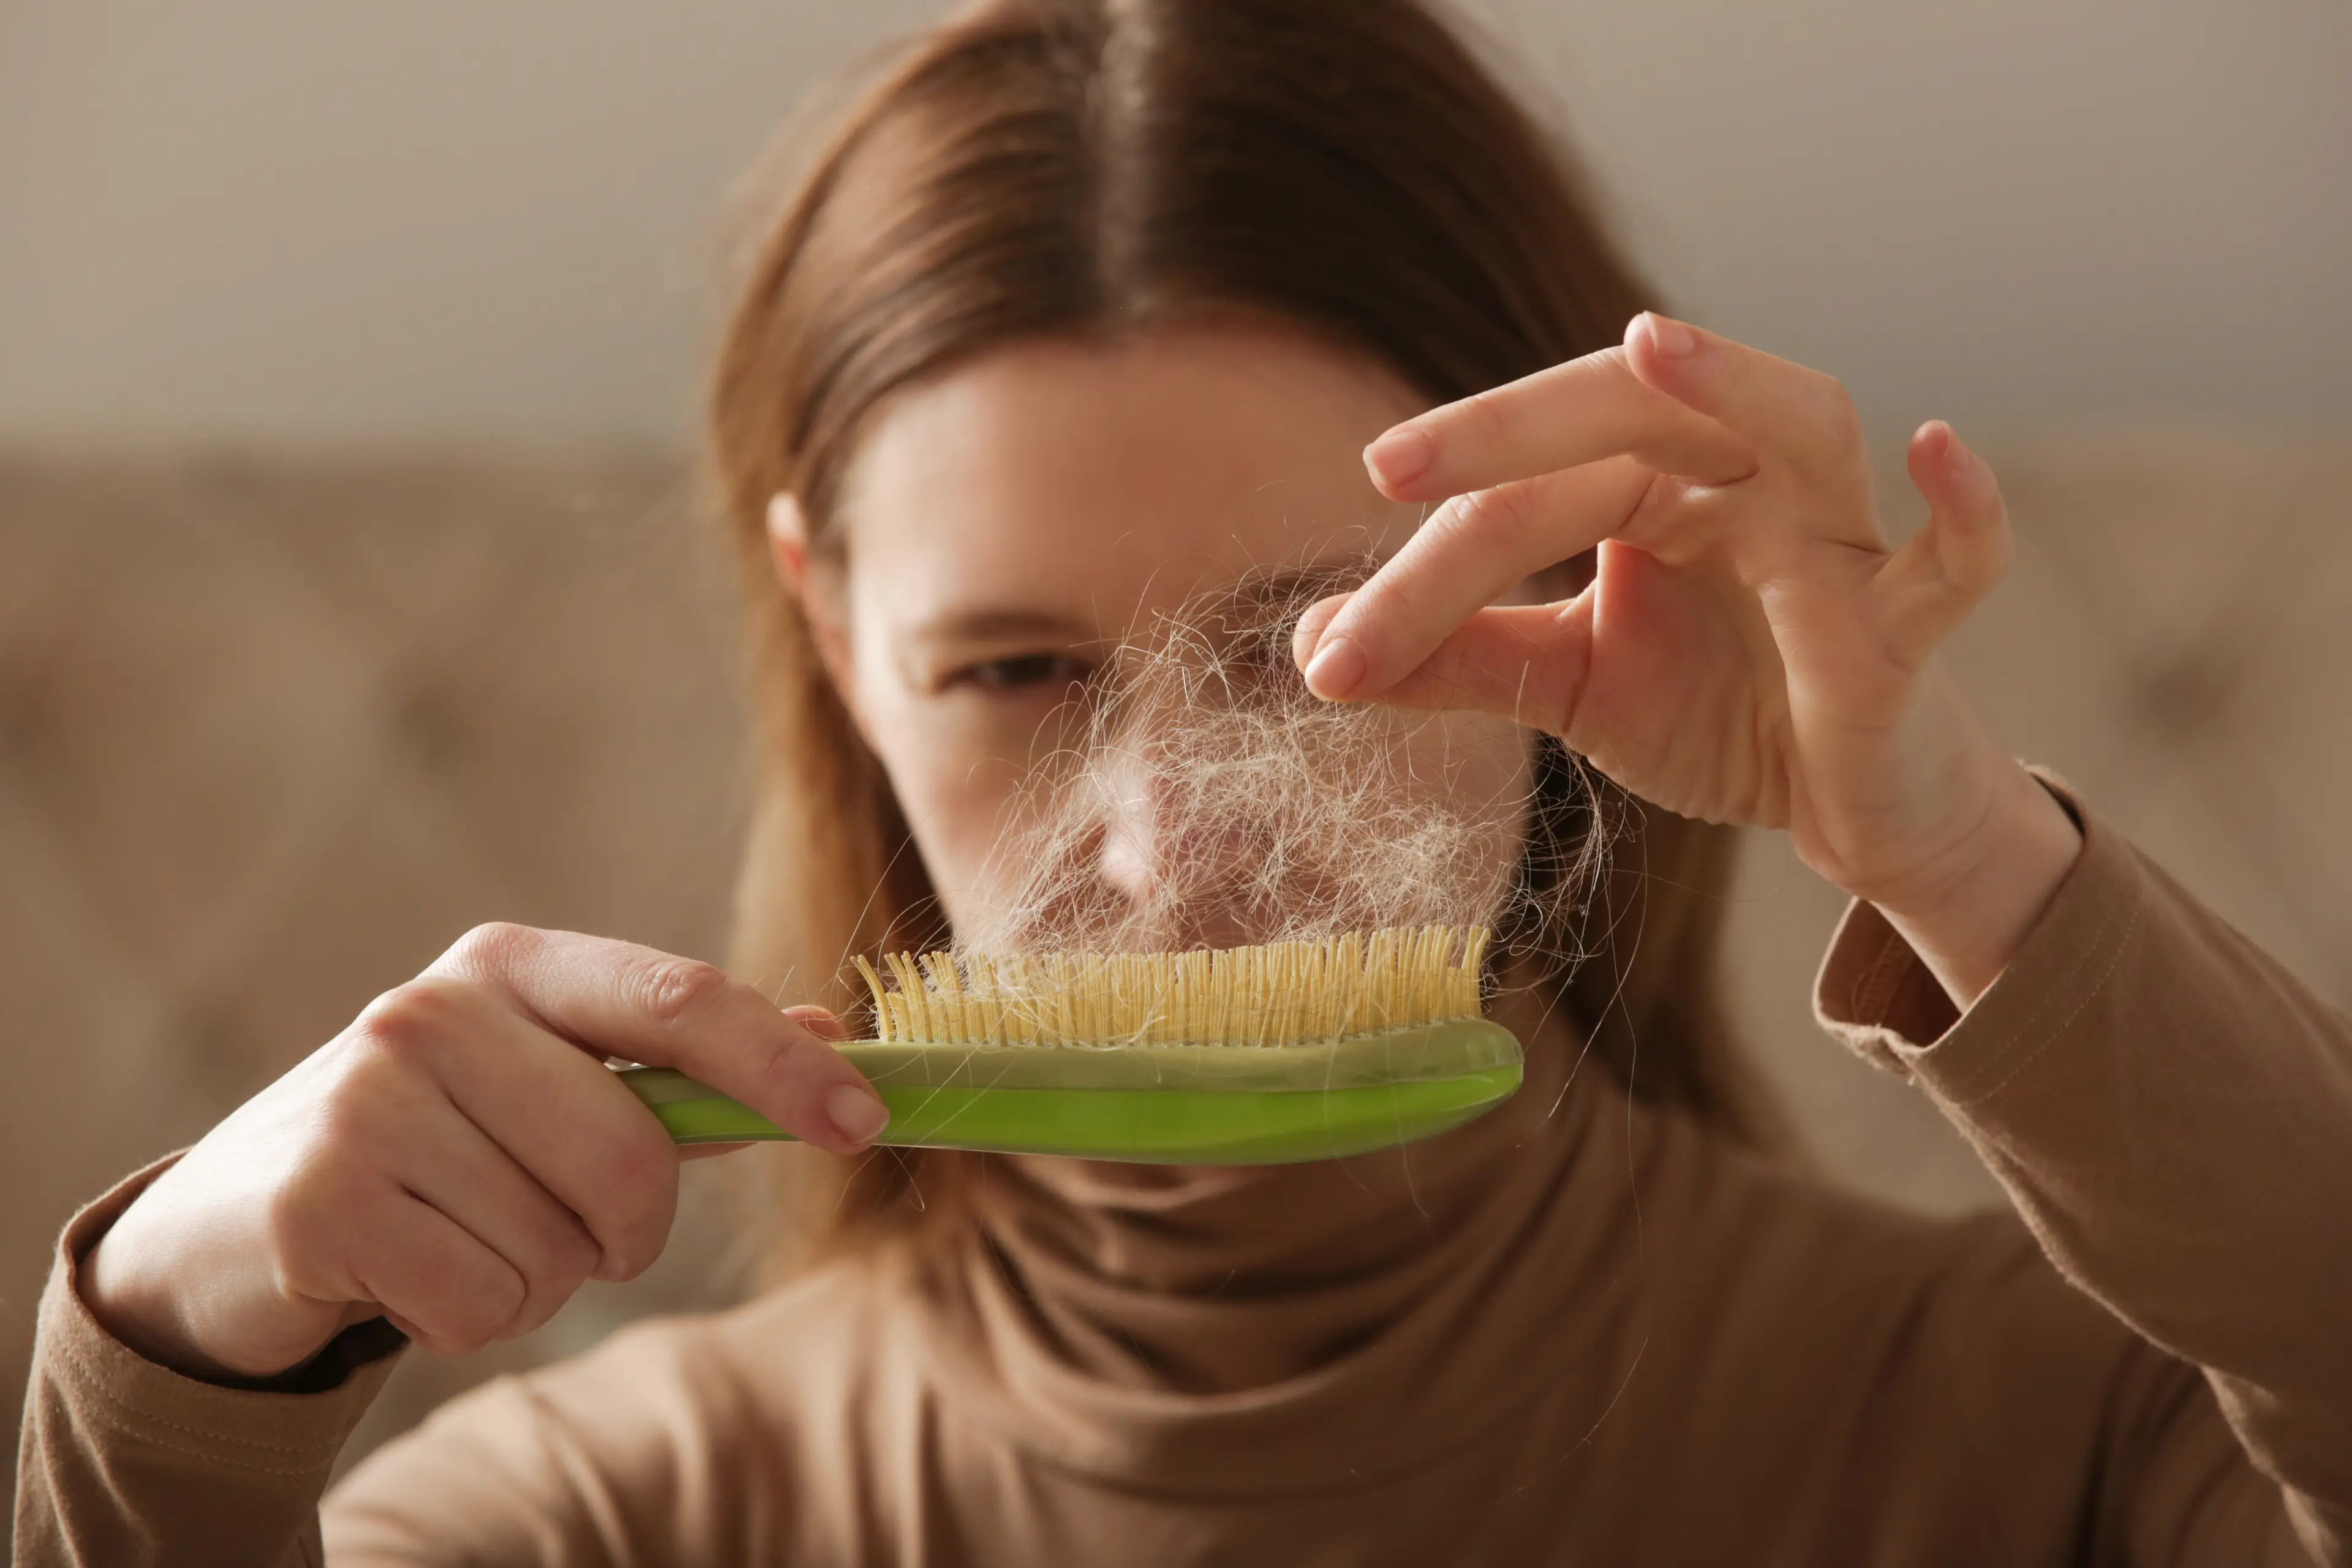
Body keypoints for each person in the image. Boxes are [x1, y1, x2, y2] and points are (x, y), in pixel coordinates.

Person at [16, 0, 2349, 1562]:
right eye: (1019, 668)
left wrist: (1962, 857)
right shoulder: (604, 1516)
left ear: (1586, 573)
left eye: (1325, 646)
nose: (1175, 842)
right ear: (835, 636)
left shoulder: (2082, 1437)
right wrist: (169, 1352)